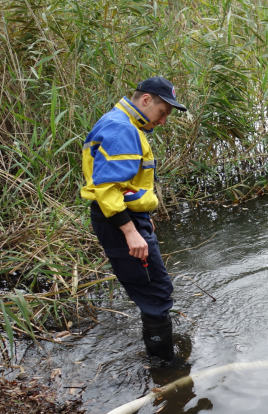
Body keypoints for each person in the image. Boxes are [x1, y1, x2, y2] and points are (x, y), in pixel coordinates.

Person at [80, 76, 187, 361]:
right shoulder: (122, 129)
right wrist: (129, 230)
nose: (163, 121)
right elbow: (106, 189)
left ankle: (161, 354)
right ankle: (165, 367)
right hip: (117, 220)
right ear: (146, 100)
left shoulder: (122, 123)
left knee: (154, 286)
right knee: (155, 292)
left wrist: (141, 216)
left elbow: (123, 186)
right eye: (163, 112)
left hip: (126, 216)